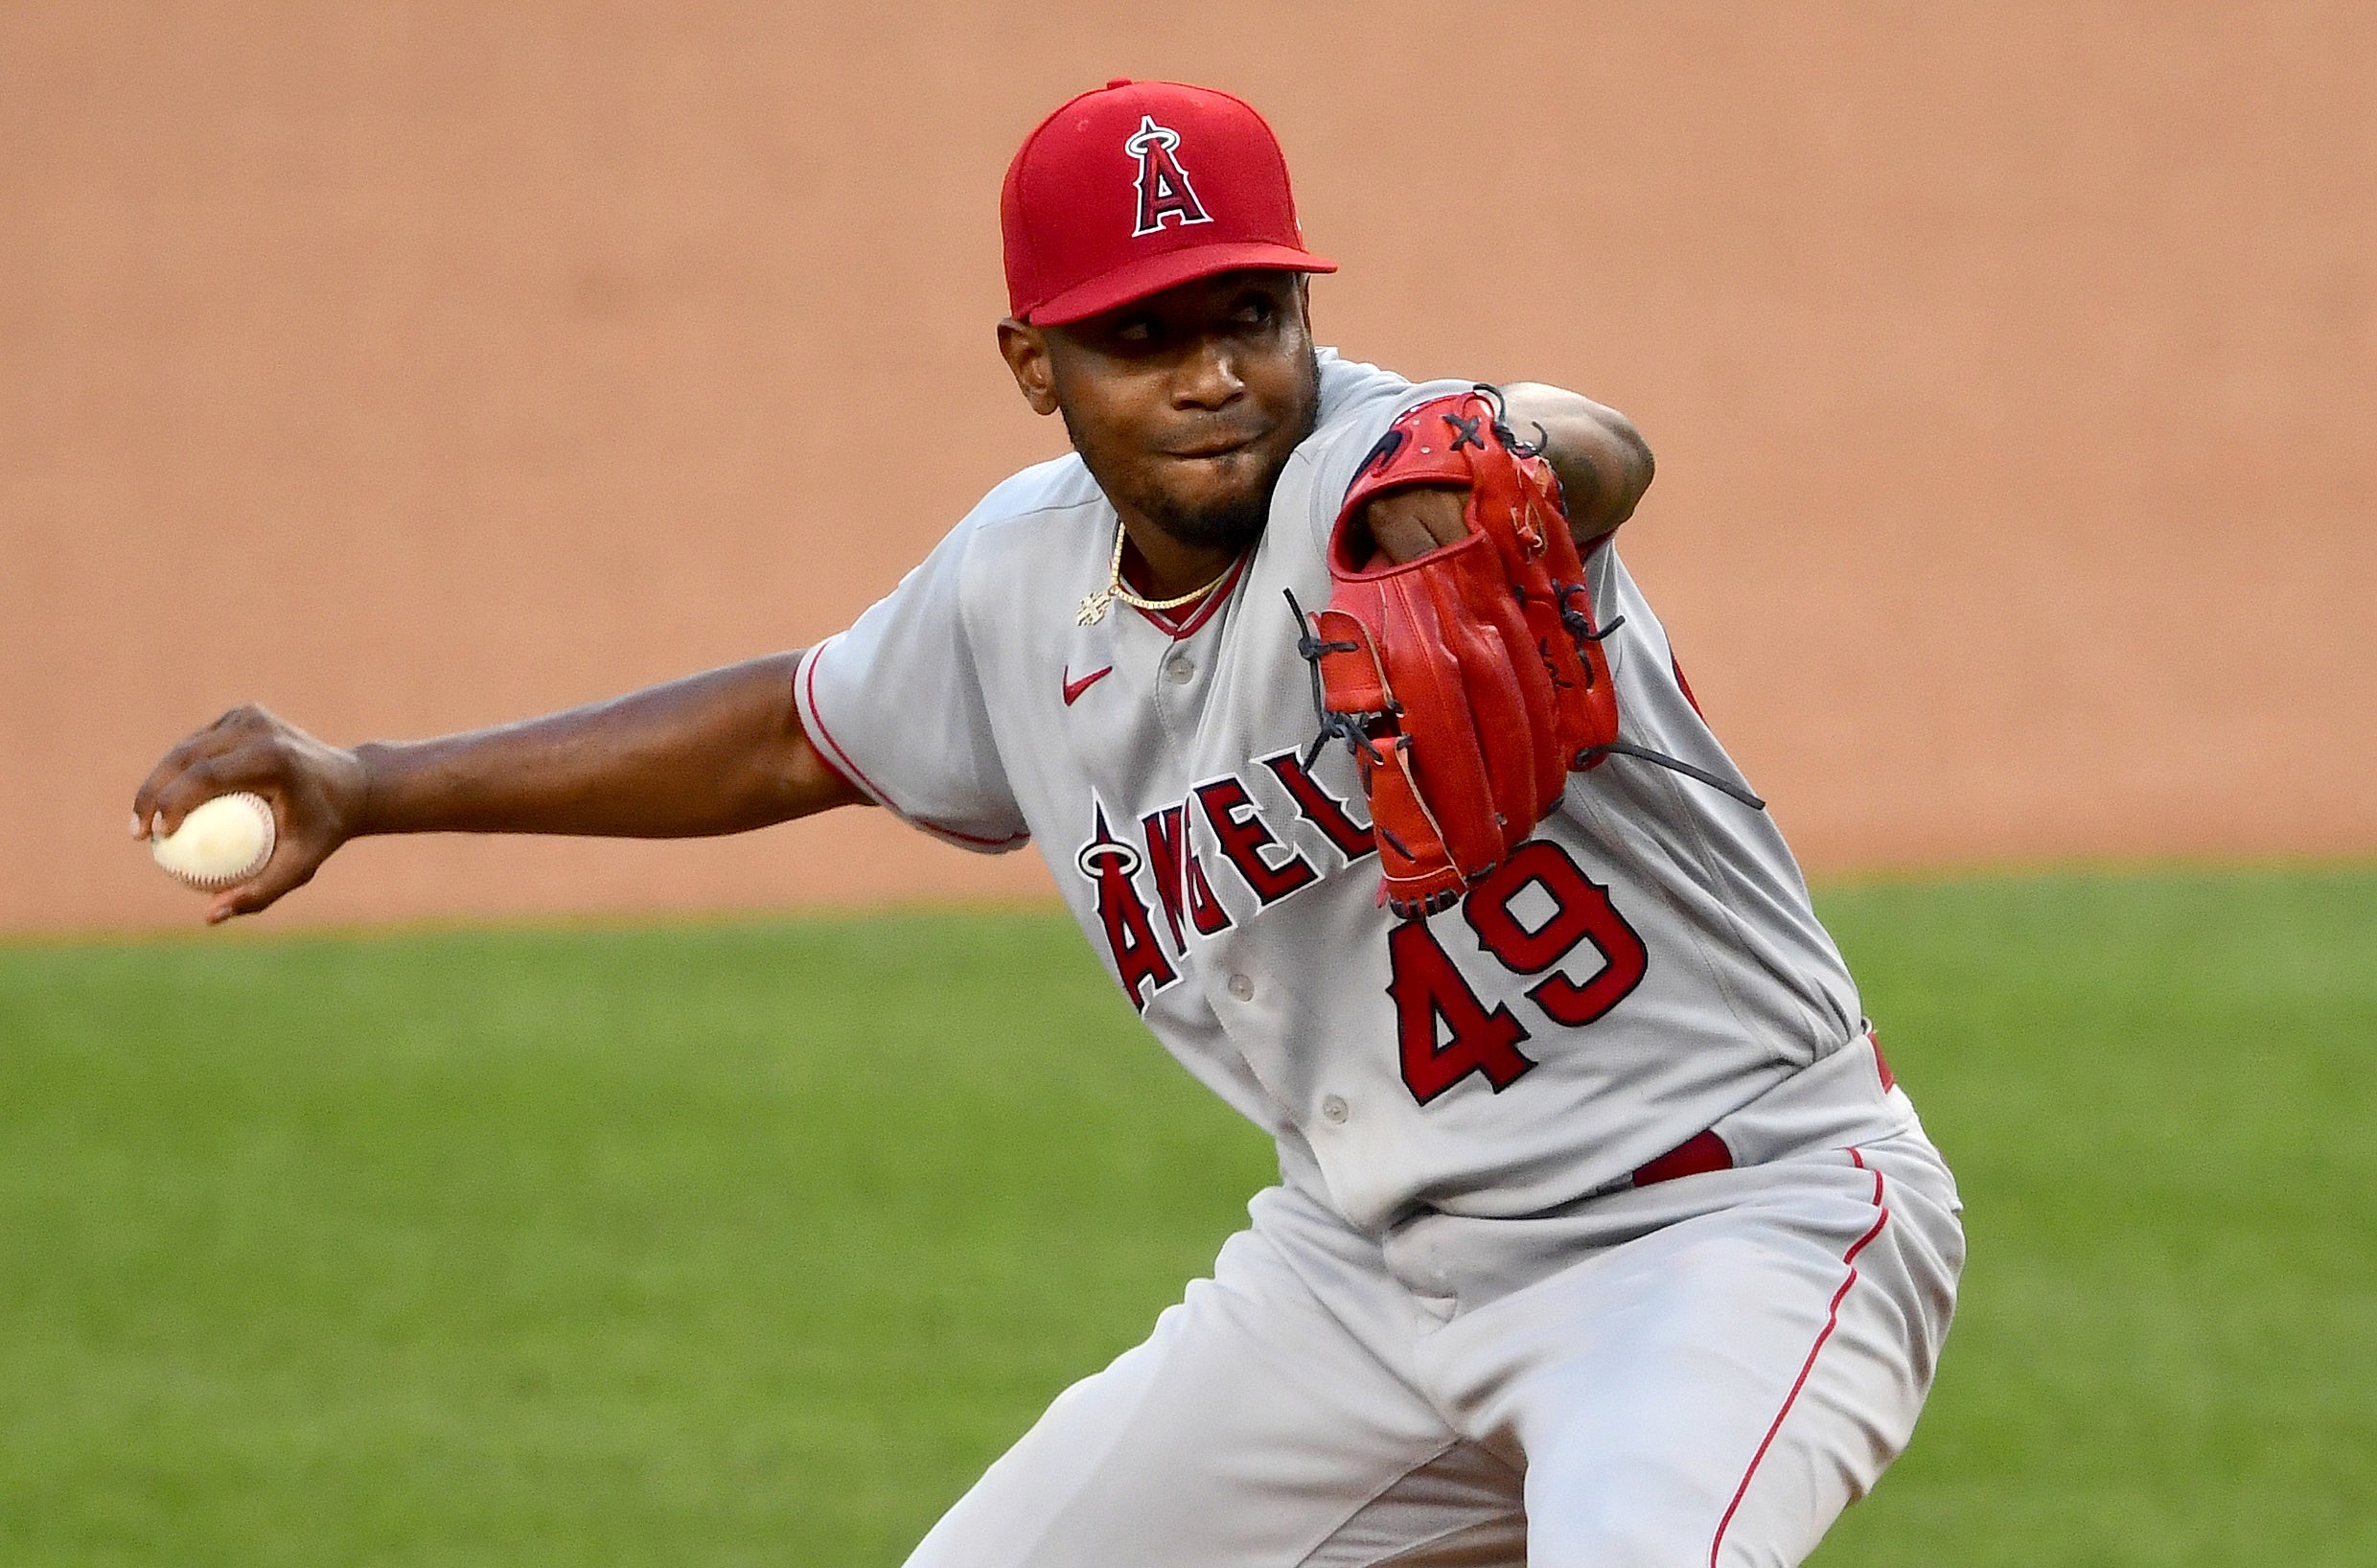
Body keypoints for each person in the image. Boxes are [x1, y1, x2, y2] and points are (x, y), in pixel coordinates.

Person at [134, 80, 1963, 1568]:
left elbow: (1586, 445)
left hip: (1726, 1227)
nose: (1213, 374)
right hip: (1367, 1280)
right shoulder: (1017, 588)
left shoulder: (1386, 473)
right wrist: (372, 785)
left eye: (1250, 318)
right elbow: (787, 736)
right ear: (1034, 365)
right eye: (1140, 337)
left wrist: (1477, 466)